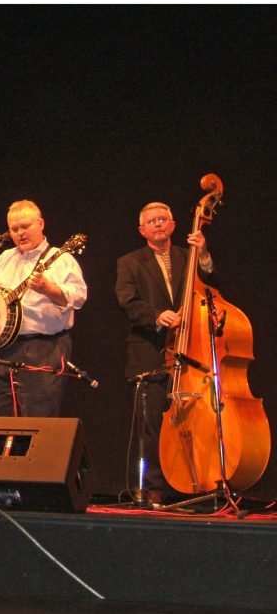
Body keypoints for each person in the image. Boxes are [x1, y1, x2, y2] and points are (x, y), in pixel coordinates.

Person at [115, 201, 213, 504]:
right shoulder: (129, 262)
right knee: (153, 423)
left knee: (195, 419)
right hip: (149, 349)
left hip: (190, 351)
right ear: (142, 230)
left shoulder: (190, 256)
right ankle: (155, 486)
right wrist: (158, 316)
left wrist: (205, 254)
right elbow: (128, 302)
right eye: (152, 221)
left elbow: (211, 287)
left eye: (163, 219)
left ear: (172, 225)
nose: (158, 224)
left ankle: (197, 482)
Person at [0, 199, 87, 416]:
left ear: (41, 224)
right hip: (2, 350)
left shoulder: (61, 258)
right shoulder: (4, 258)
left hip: (43, 349)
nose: (19, 233)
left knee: (37, 420)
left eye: (25, 227)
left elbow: (78, 297)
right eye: (14, 229)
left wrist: (49, 289)